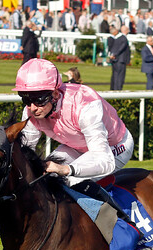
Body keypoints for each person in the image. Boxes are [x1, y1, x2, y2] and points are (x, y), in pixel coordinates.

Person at [15, 59, 134, 220]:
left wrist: (66, 169)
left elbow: (104, 160)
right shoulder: (31, 110)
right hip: (76, 146)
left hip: (116, 147)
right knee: (44, 178)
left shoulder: (85, 105)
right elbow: (25, 153)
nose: (32, 107)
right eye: (26, 99)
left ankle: (125, 223)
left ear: (55, 94)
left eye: (39, 99)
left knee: (68, 180)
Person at [107, 25, 129, 90]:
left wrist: (112, 55)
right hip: (120, 60)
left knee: (115, 75)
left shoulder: (116, 38)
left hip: (115, 59)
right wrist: (115, 55)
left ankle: (114, 88)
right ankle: (118, 89)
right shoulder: (123, 38)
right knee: (120, 76)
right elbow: (121, 48)